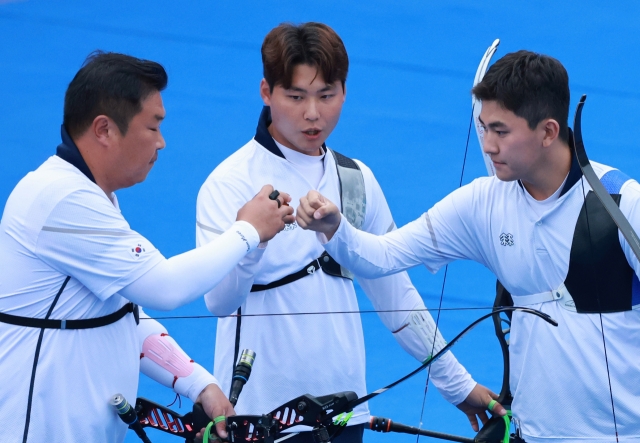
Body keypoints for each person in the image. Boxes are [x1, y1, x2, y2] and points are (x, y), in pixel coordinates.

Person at [297, 50, 640, 443]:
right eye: (483, 128)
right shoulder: (482, 204)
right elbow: (380, 257)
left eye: (501, 131)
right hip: (532, 434)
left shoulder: (622, 203)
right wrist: (335, 228)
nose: (489, 145)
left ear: (548, 131)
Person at [197, 22, 502, 442]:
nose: (313, 113)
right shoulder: (229, 183)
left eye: (327, 95)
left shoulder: (356, 180)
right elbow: (218, 301)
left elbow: (396, 296)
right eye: (296, 96)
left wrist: (457, 384)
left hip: (344, 416)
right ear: (266, 93)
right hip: (257, 421)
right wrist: (252, 236)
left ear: (344, 91)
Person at [0, 51, 294, 443]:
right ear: (104, 129)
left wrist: (199, 384)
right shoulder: (60, 199)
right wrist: (248, 231)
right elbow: (166, 288)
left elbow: (122, 316)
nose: (161, 142)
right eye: (152, 126)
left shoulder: (89, 194)